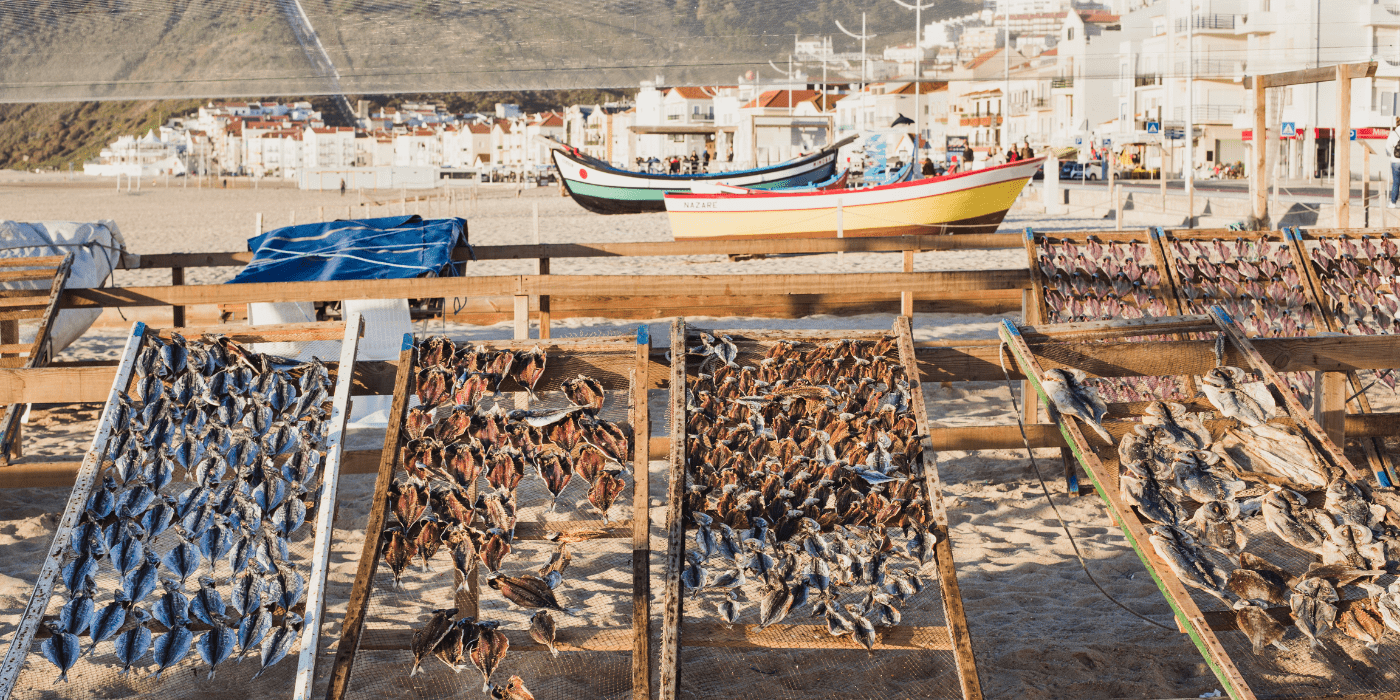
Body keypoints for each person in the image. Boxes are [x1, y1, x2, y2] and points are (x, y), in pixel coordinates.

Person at [1388, 116, 1400, 208]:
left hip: (1395, 161)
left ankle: (1393, 203)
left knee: (1396, 182)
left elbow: (1387, 148)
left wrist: (1391, 155)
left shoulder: (1393, 133)